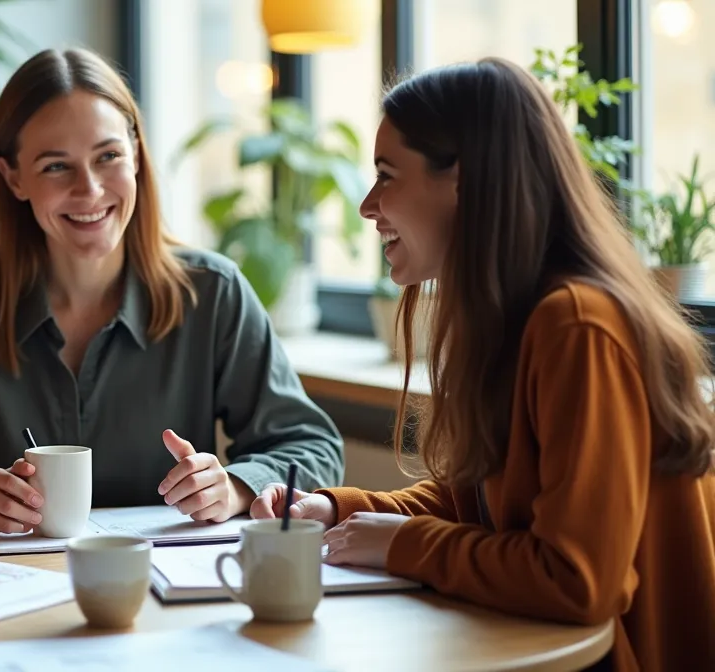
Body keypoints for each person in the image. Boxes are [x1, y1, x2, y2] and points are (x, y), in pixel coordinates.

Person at [250, 58, 715, 670]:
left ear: (465, 183)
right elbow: (485, 513)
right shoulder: (509, 321)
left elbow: (579, 581)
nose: (368, 206)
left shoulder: (577, 327)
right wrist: (342, 510)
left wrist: (404, 544)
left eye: (387, 176)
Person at [0, 47, 343, 534]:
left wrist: (231, 486)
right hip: (7, 588)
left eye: (108, 156)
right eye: (56, 166)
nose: (90, 190)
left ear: (137, 157)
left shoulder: (212, 292)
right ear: (13, 178)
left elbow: (312, 446)